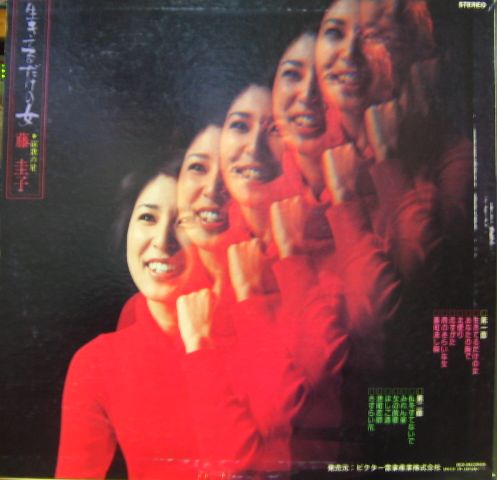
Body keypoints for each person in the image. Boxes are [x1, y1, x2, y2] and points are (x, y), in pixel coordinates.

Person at [56, 156, 303, 479]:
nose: (162, 241)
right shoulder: (97, 362)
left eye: (184, 222)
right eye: (147, 217)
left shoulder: (261, 339)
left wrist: (200, 350)